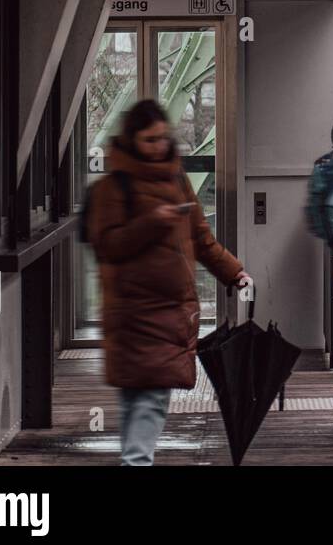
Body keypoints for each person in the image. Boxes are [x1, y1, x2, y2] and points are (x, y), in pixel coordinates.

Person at [88, 99, 250, 465]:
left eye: (163, 138)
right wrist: (152, 222)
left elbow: (201, 237)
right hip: (135, 313)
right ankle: (137, 461)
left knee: (141, 397)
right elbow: (108, 245)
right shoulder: (114, 189)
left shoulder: (175, 179)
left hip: (167, 313)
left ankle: (135, 460)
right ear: (131, 141)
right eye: (149, 140)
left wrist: (232, 270)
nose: (159, 146)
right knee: (148, 396)